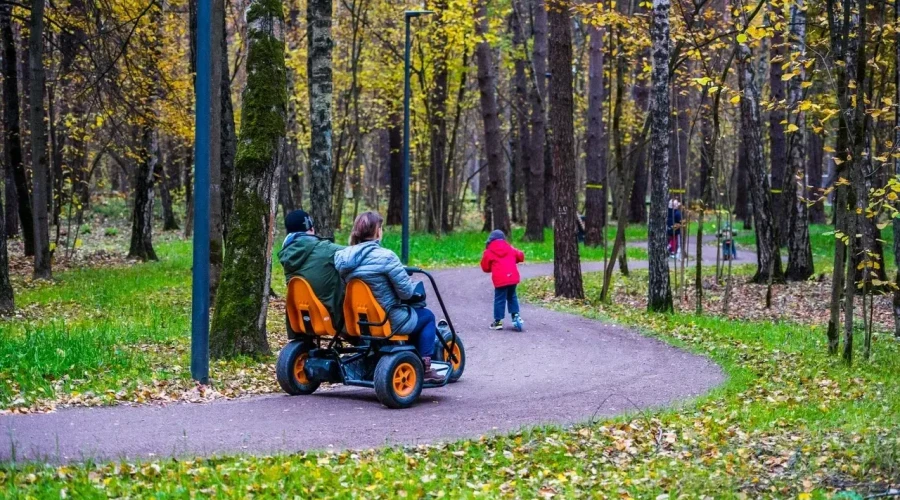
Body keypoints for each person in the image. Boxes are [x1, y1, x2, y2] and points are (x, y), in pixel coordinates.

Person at [333, 211, 445, 383]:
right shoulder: (386, 257)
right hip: (388, 319)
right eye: (381, 228)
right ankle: (425, 367)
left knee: (415, 316)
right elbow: (406, 292)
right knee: (427, 317)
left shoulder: (343, 259)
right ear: (377, 231)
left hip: (360, 320)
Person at [278, 209, 345, 333]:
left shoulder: (287, 253)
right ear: (311, 228)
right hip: (331, 315)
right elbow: (354, 255)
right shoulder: (326, 249)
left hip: (300, 315)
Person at [480, 230, 526, 331]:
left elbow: (485, 267)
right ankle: (515, 316)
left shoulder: (489, 252)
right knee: (512, 296)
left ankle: (498, 321)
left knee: (499, 300)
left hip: (500, 280)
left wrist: (491, 267)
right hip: (512, 278)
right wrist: (515, 258)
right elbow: (520, 256)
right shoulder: (509, 248)